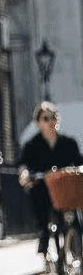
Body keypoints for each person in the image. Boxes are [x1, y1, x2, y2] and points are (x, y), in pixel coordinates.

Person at [18, 102, 83, 252]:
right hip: (44, 187)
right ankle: (44, 234)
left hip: (66, 189)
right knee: (37, 194)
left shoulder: (69, 143)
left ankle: (77, 240)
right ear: (38, 122)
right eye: (46, 118)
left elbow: (79, 160)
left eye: (53, 117)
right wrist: (25, 173)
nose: (50, 121)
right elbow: (23, 163)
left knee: (75, 217)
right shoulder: (32, 145)